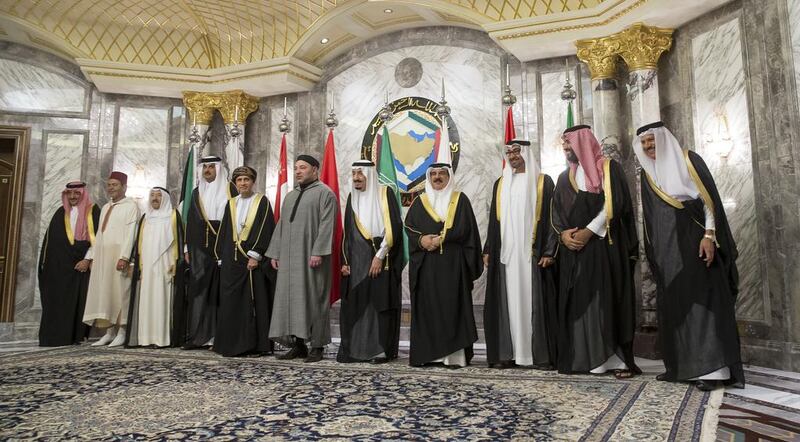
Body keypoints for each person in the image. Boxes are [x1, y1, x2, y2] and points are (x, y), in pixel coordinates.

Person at [635, 121, 745, 391]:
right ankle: (683, 366)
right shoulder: (647, 175)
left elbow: (709, 202)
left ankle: (715, 371)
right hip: (669, 251)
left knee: (704, 304)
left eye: (652, 141)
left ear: (663, 139)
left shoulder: (689, 160)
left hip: (695, 242)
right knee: (678, 306)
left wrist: (709, 236)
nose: (649, 147)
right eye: (644, 143)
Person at [551, 125, 639, 378]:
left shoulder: (608, 168)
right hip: (574, 251)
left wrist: (589, 231)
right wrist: (563, 235)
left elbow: (616, 204)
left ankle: (616, 361)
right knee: (580, 303)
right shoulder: (564, 177)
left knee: (605, 301)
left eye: (570, 144)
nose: (567, 149)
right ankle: (585, 356)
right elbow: (555, 211)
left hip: (603, 247)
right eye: (565, 145)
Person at [483, 140, 558, 369]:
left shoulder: (542, 182)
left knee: (533, 301)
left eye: (517, 151)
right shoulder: (501, 183)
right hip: (506, 255)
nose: (513, 155)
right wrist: (488, 248)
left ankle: (538, 355)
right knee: (507, 303)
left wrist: (548, 251)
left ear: (527, 153)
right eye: (509, 152)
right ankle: (508, 353)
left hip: (532, 255)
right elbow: (494, 223)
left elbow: (553, 219)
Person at [404, 159, 482, 369]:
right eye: (434, 174)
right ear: (429, 177)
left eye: (442, 174)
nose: (437, 177)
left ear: (449, 177)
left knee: (452, 309)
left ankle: (453, 358)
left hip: (453, 266)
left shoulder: (460, 199)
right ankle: (428, 355)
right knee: (428, 308)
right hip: (426, 265)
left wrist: (442, 238)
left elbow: (468, 229)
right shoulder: (420, 201)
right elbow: (409, 227)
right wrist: (422, 240)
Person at [267, 155, 338, 363]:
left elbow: (327, 225)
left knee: (315, 299)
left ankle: (317, 346)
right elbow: (281, 225)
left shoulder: (325, 194)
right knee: (290, 298)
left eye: (303, 168)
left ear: (315, 170)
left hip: (312, 257)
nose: (298, 171)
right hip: (289, 259)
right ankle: (298, 344)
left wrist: (318, 251)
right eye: (296, 168)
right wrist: (276, 252)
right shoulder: (290, 195)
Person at [337, 160, 405, 363]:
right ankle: (355, 350)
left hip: (379, 261)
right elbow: (347, 233)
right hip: (356, 264)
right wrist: (345, 261)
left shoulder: (385, 194)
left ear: (370, 175)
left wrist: (380, 256)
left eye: (360, 173)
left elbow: (393, 228)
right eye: (354, 173)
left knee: (378, 305)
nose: (356, 177)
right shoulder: (352, 197)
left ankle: (380, 351)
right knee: (356, 304)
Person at [213, 166, 276, 357]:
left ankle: (253, 345)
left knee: (252, 303)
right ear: (235, 183)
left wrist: (256, 255)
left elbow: (265, 229)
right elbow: (225, 231)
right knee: (231, 303)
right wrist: (220, 255)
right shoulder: (231, 203)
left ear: (253, 182)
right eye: (239, 180)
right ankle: (230, 343)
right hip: (232, 262)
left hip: (251, 261)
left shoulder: (262, 201)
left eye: (246, 180)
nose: (243, 183)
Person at [183, 155, 237, 349]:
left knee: (220, 291)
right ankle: (199, 335)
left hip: (223, 247)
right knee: (200, 292)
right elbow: (190, 221)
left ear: (219, 169)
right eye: (204, 167)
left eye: (211, 167)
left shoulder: (231, 190)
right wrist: (187, 247)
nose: (207, 170)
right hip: (199, 249)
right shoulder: (197, 192)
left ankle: (219, 336)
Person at [38, 181, 100, 346]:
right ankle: (56, 337)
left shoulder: (93, 211)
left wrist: (87, 259)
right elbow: (52, 242)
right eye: (69, 194)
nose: (72, 197)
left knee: (79, 302)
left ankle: (76, 336)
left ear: (83, 194)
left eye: (76, 194)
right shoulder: (60, 212)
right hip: (61, 268)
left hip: (81, 267)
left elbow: (99, 239)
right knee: (58, 301)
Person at [83, 171, 140, 347]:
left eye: (115, 185)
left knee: (120, 293)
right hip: (102, 258)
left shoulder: (131, 207)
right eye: (109, 185)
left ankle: (122, 331)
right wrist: (92, 256)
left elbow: (132, 234)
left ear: (124, 187)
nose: (111, 188)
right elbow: (99, 234)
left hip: (118, 258)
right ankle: (109, 332)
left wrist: (124, 256)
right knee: (105, 293)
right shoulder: (106, 207)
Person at [125, 187, 185, 347]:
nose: (155, 198)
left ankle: (162, 339)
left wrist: (175, 263)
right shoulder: (146, 217)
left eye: (158, 196)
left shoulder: (172, 216)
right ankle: (145, 338)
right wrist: (134, 263)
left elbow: (179, 241)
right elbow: (137, 242)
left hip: (165, 266)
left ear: (165, 198)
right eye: (152, 195)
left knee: (161, 300)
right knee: (146, 300)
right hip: (147, 267)